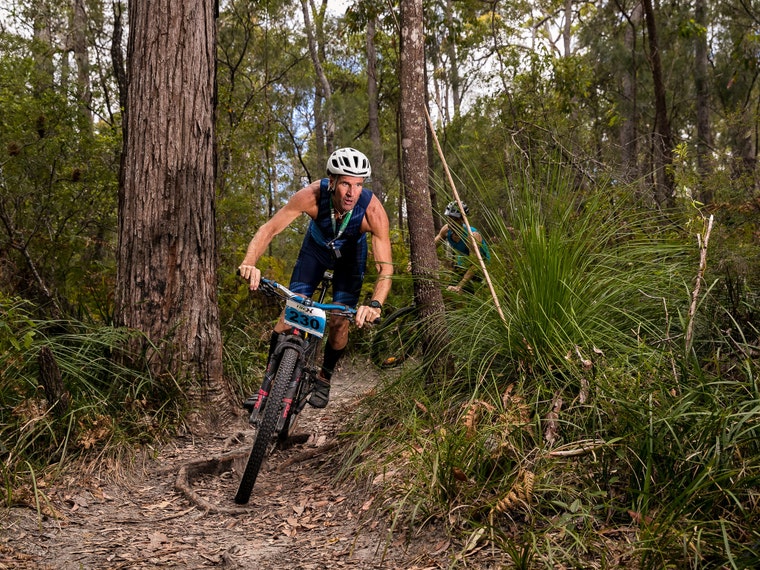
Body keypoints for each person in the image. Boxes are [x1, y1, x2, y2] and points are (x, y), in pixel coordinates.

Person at [239, 148, 393, 408]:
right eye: (345, 183)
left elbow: (385, 268)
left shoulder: (372, 210)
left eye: (358, 185)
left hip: (350, 258)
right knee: (293, 310)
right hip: (316, 250)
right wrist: (249, 263)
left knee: (339, 322)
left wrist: (375, 305)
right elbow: (269, 229)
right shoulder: (311, 196)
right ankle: (269, 384)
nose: (351, 192)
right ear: (332, 181)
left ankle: (325, 377)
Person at [434, 201, 490, 293]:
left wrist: (459, 286)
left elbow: (475, 264)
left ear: (463, 220)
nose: (451, 222)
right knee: (448, 291)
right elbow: (431, 247)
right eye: (449, 218)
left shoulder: (472, 236)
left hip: (481, 266)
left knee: (467, 292)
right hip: (462, 264)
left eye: (455, 219)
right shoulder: (446, 230)